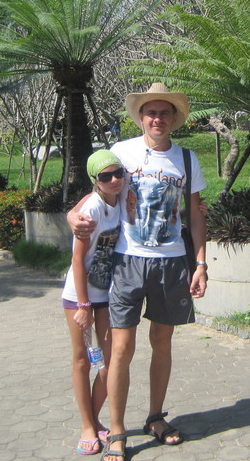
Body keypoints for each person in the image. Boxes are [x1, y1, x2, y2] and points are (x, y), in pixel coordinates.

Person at [68, 83, 208, 460]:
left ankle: (155, 418)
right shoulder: (121, 152)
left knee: (162, 342)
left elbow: (196, 215)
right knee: (121, 350)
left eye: (164, 113)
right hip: (127, 263)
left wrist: (201, 264)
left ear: (174, 119)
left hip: (172, 263)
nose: (157, 118)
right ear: (141, 117)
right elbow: (98, 191)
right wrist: (72, 214)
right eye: (151, 112)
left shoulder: (188, 160)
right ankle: (116, 431)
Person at [62, 149, 125, 455]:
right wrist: (83, 306)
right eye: (105, 176)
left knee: (107, 362)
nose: (114, 180)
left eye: (118, 174)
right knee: (83, 360)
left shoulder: (122, 200)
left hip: (107, 296)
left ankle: (96, 418)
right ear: (95, 181)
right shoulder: (94, 207)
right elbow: (77, 259)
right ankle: (87, 426)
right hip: (80, 297)